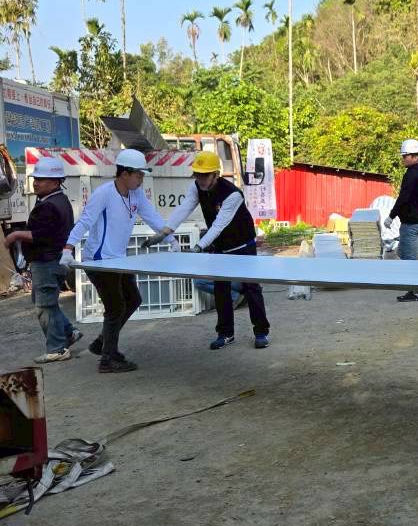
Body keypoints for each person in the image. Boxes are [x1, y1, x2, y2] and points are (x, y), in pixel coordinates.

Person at [63, 148, 175, 373]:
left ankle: (102, 344)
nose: (141, 180)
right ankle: (108, 360)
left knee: (133, 299)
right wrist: (68, 248)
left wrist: (170, 238)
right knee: (115, 307)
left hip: (119, 260)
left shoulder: (136, 194)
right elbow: (85, 221)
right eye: (138, 175)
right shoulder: (104, 194)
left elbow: (151, 216)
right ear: (125, 173)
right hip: (99, 261)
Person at [155, 150, 270, 350]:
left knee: (251, 287)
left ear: (216, 174)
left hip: (243, 245)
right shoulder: (196, 187)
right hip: (221, 247)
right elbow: (184, 208)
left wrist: (198, 247)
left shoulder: (232, 194)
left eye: (204, 175)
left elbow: (218, 225)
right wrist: (165, 231)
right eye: (197, 174)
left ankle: (261, 332)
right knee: (221, 289)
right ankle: (225, 334)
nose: (200, 179)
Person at [4, 156, 80, 362]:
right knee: (44, 301)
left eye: (41, 179)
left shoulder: (49, 205)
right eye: (35, 179)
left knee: (45, 306)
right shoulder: (58, 200)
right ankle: (69, 333)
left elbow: (41, 235)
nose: (36, 183)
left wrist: (15, 235)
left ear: (55, 182)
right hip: (53, 259)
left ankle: (57, 349)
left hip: (47, 261)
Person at [390, 138, 418, 303]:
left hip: (411, 223)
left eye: (406, 156)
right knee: (408, 253)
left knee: (409, 258)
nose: (403, 158)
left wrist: (391, 215)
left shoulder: (412, 174)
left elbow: (403, 197)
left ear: (415, 157)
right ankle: (416, 289)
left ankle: (415, 292)